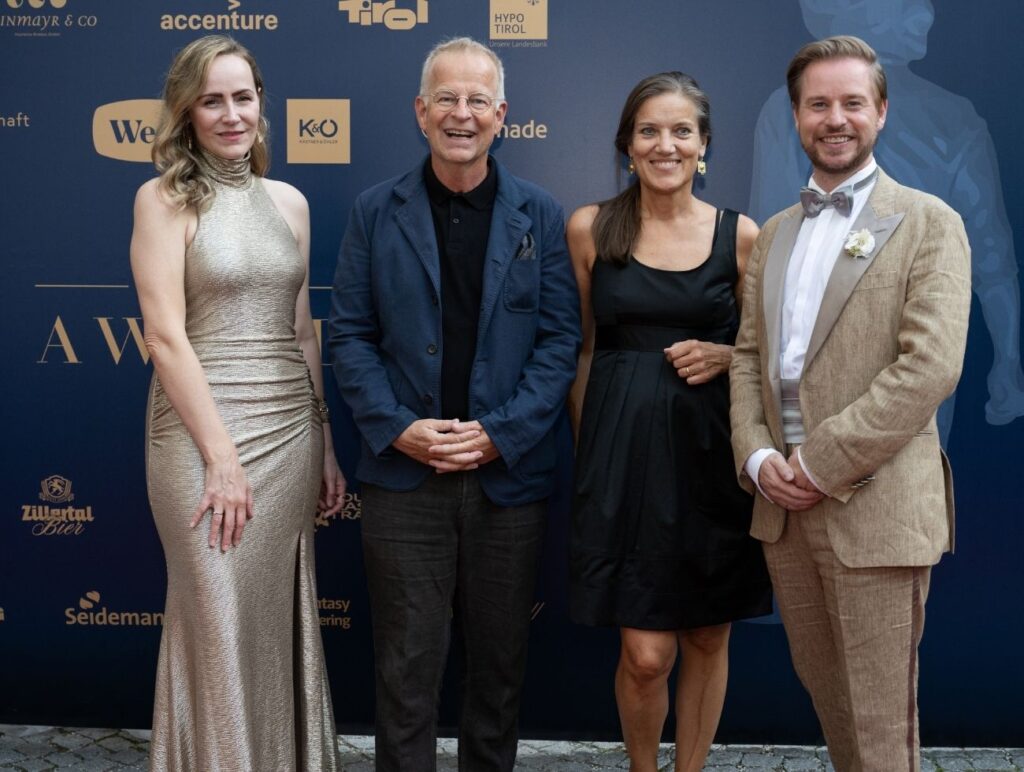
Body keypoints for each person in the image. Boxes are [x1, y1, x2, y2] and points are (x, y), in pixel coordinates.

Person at [328, 37, 580, 771]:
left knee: (498, 674)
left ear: (501, 115)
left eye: (476, 100)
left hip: (509, 481)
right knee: (405, 673)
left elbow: (560, 342)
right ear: (421, 111)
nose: (460, 114)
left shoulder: (541, 213)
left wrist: (500, 435)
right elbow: (350, 336)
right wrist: (399, 429)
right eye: (446, 98)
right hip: (404, 480)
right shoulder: (376, 212)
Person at [730, 36, 971, 772]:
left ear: (882, 112)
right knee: (831, 705)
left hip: (874, 510)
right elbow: (746, 359)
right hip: (785, 513)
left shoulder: (930, 221)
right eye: (818, 104)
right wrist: (760, 456)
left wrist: (816, 462)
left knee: (876, 723)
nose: (835, 119)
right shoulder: (773, 233)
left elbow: (928, 367)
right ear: (798, 116)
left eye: (852, 103)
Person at [130, 34, 344, 771]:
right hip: (198, 439)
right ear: (187, 111)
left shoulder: (290, 202)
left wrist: (327, 447)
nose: (231, 114)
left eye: (243, 97)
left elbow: (301, 332)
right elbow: (163, 335)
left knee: (266, 625)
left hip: (289, 437)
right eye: (212, 100)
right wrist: (221, 457)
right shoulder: (161, 198)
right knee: (217, 622)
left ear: (262, 104)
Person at [567, 72, 772, 772]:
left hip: (712, 461)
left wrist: (727, 351)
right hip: (620, 466)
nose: (665, 144)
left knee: (709, 639)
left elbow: (768, 354)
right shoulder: (591, 228)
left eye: (681, 130)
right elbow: (585, 350)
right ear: (627, 145)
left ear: (704, 145)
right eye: (649, 130)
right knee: (646, 654)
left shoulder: (740, 236)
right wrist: (587, 456)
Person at [749, 0, 1024, 440]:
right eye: (904, 4)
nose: (926, 17)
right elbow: (763, 262)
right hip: (794, 394)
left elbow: (991, 256)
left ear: (881, 112)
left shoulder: (956, 125)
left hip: (909, 391)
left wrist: (1009, 360)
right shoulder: (781, 116)